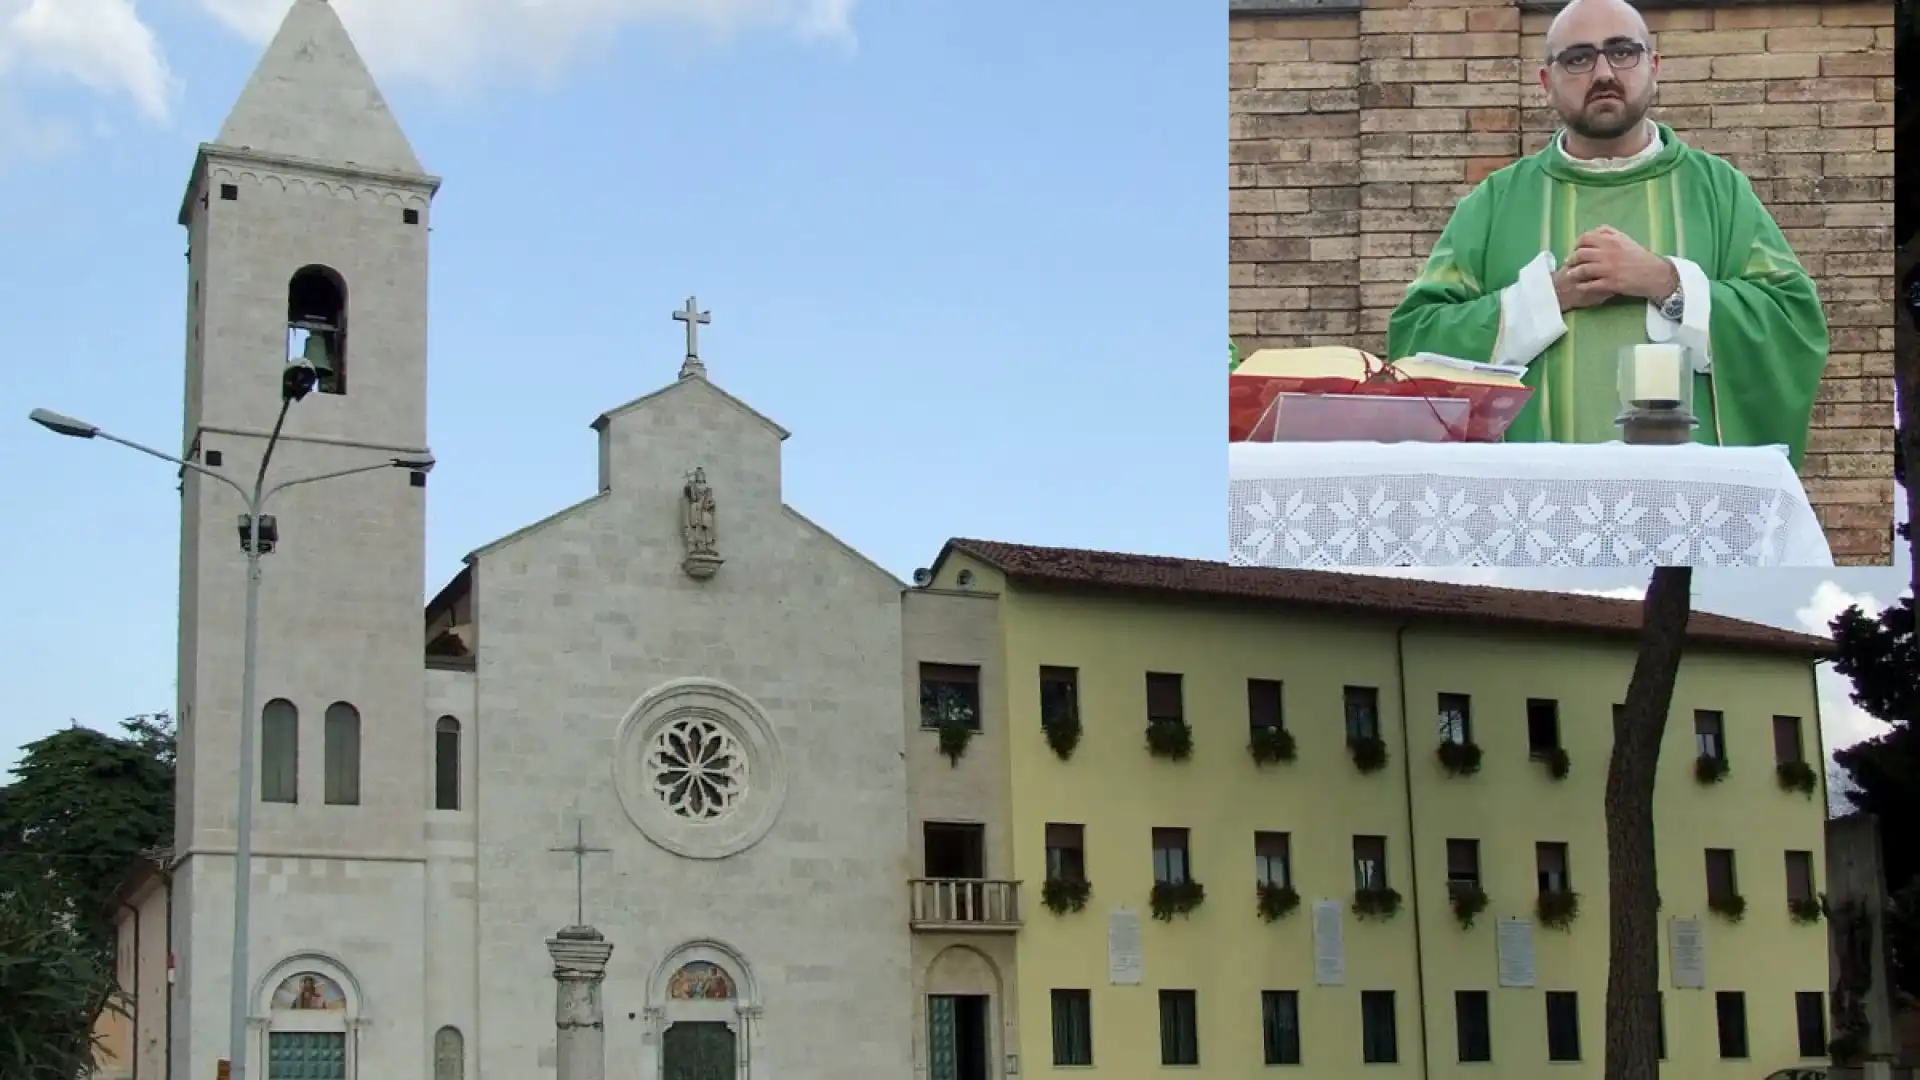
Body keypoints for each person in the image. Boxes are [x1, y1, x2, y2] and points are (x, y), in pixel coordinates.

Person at [1385, 0, 1829, 466]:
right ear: (1545, 83)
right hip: (1536, 506)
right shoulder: (1495, 203)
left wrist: (1666, 282)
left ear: (1653, 67)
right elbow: (1413, 347)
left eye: (1622, 51)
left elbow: (1794, 325)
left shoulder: (1718, 191)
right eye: (1578, 58)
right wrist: (1545, 301)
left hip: (1683, 507)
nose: (1603, 72)